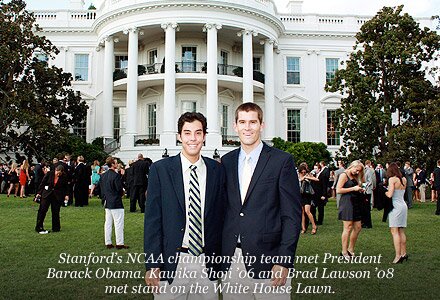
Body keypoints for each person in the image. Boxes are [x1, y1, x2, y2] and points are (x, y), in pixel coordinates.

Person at [221, 102, 302, 300]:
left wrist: (284, 260)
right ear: (235, 126)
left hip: (270, 259)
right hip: (232, 261)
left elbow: (291, 215)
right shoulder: (226, 161)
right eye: (242, 122)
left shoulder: (281, 161)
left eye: (252, 122)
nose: (247, 127)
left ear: (261, 125)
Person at [144, 112, 226, 299]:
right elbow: (152, 222)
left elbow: (222, 216)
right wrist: (152, 264)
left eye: (198, 133)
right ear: (179, 136)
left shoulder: (217, 170)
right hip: (173, 261)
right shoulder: (161, 170)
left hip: (207, 262)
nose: (193, 138)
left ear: (204, 136)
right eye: (187, 133)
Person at [336, 160, 365, 257]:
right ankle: (344, 251)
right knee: (347, 227)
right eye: (356, 170)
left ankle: (350, 249)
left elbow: (360, 184)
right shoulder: (344, 175)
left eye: (359, 171)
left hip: (356, 201)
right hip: (347, 202)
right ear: (352, 166)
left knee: (358, 227)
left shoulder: (357, 176)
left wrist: (360, 188)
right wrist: (353, 189)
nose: (357, 172)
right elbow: (338, 190)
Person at [100, 157, 128, 249]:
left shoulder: (103, 175)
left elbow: (102, 189)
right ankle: (120, 243)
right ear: (112, 164)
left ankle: (108, 242)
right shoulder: (115, 175)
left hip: (107, 201)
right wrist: (122, 193)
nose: (117, 164)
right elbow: (119, 188)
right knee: (118, 223)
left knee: (108, 223)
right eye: (115, 163)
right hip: (116, 201)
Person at [35, 165, 69, 234]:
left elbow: (66, 187)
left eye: (59, 173)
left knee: (56, 212)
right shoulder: (49, 174)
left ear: (62, 172)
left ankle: (56, 227)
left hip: (57, 196)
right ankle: (39, 226)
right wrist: (39, 193)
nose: (58, 174)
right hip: (47, 194)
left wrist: (66, 195)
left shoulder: (64, 177)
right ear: (55, 170)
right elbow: (42, 183)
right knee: (42, 210)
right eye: (57, 172)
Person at [385, 162, 408, 263]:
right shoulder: (404, 179)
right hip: (403, 205)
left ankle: (398, 256)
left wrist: (384, 191)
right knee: (401, 230)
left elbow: (390, 195)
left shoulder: (392, 179)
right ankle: (404, 253)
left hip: (395, 206)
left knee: (394, 231)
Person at [298, 163, 318, 235]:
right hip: (299, 195)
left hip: (307, 195)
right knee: (302, 212)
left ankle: (314, 226)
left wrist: (307, 177)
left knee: (307, 211)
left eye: (304, 172)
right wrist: (301, 179)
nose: (303, 173)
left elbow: (316, 179)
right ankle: (303, 228)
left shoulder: (308, 175)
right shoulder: (297, 175)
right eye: (302, 172)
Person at [362, 160, 376, 228]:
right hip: (364, 190)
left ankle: (367, 223)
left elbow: (370, 181)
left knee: (367, 207)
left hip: (367, 191)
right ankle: (364, 222)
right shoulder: (366, 170)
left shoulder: (369, 170)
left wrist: (364, 187)